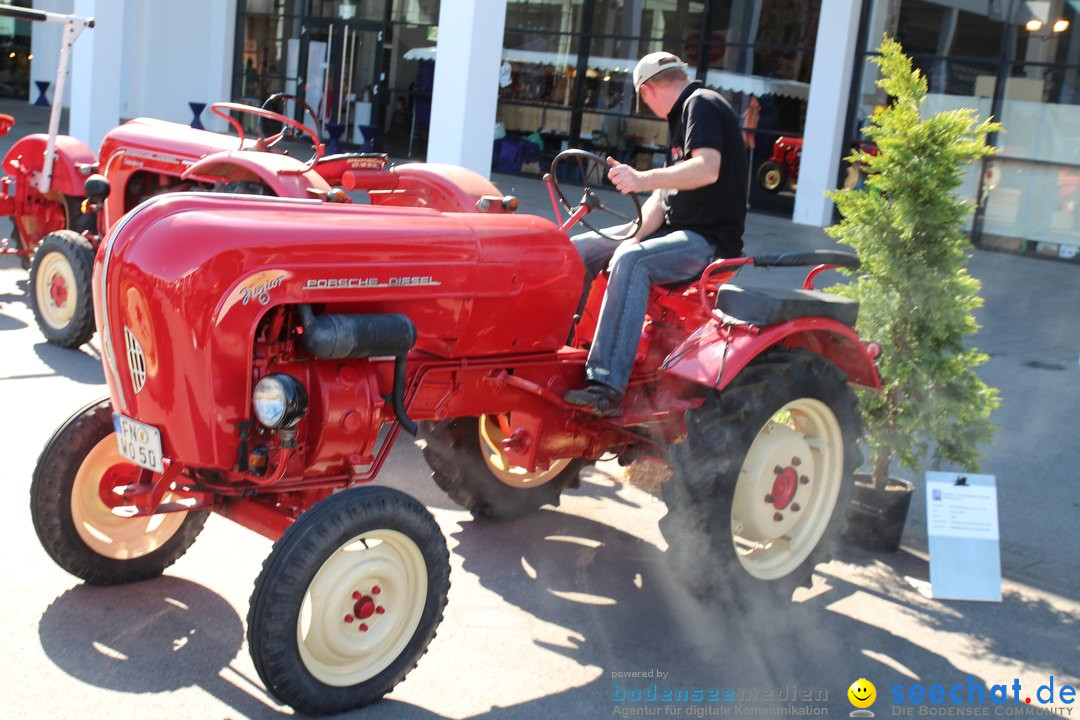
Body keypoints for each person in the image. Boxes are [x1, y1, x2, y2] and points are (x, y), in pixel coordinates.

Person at [563, 51, 748, 416]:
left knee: (633, 262)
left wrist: (640, 178)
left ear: (646, 91)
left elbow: (707, 169)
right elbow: (661, 201)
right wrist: (631, 236)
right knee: (578, 247)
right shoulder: (682, 121)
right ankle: (558, 351)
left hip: (708, 242)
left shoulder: (702, 104)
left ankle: (606, 385)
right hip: (674, 229)